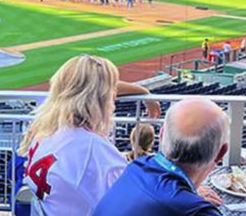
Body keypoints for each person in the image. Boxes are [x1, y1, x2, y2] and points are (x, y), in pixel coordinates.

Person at [18, 55, 160, 216]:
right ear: (99, 98)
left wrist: (143, 91)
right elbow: (131, 205)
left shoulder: (45, 128)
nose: (115, 95)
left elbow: (85, 87)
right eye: (111, 90)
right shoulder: (91, 148)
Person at [94, 98, 229, 216]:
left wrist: (189, 194)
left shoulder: (136, 168)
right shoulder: (197, 211)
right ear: (221, 153)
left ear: (162, 134)